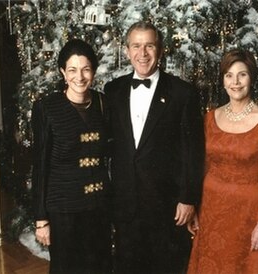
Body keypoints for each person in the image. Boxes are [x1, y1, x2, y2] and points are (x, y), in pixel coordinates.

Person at [103, 21, 205, 273]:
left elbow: (193, 151)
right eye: (136, 46)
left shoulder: (183, 93)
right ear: (127, 51)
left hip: (167, 206)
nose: (143, 53)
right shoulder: (112, 91)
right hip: (125, 204)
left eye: (149, 45)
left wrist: (188, 198)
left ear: (160, 51)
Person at [187, 49, 258, 274]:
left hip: (246, 216)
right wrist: (195, 208)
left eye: (242, 75)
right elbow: (202, 167)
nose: (235, 82)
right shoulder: (209, 118)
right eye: (229, 75)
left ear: (252, 78)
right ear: (223, 80)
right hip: (210, 210)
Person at [32, 39, 112, 274]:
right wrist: (41, 219)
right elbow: (40, 166)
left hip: (98, 207)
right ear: (62, 73)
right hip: (63, 210)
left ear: (94, 71)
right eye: (72, 70)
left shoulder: (102, 103)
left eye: (86, 69)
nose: (80, 76)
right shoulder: (46, 108)